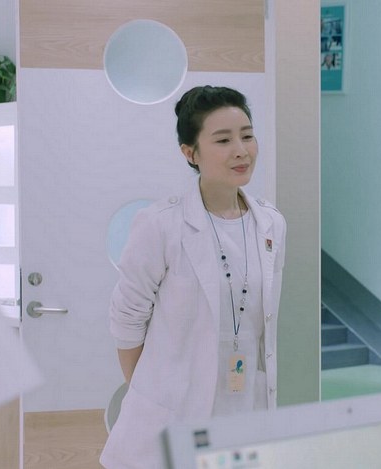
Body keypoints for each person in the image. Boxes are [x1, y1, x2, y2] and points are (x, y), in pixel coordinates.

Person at [100, 85, 286, 469]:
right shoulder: (161, 225)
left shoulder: (271, 223)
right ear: (190, 153)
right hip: (173, 414)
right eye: (223, 140)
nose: (241, 150)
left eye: (247, 135)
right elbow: (127, 319)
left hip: (244, 408)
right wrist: (152, 393)